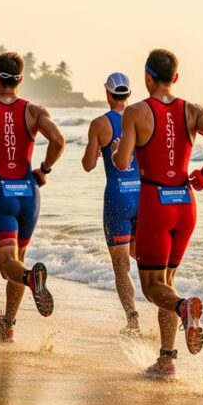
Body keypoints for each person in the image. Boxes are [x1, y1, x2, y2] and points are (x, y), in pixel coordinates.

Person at [112, 49, 203, 378]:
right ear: (175, 77)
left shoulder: (136, 112)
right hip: (185, 204)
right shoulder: (192, 110)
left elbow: (122, 162)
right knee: (167, 281)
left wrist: (120, 148)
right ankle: (166, 360)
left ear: (146, 77)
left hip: (156, 203)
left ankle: (182, 307)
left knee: (152, 288)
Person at [0, 52, 63, 341]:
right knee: (18, 259)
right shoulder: (34, 111)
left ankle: (30, 278)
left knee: (8, 265)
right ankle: (9, 322)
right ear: (20, 79)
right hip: (29, 194)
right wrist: (44, 169)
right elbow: (58, 140)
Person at [81, 72, 141, 336]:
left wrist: (96, 150)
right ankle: (171, 302)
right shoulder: (141, 119)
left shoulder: (99, 124)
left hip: (117, 198)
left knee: (121, 267)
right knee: (147, 259)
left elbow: (88, 165)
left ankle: (133, 320)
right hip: (142, 197)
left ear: (107, 93)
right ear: (129, 94)